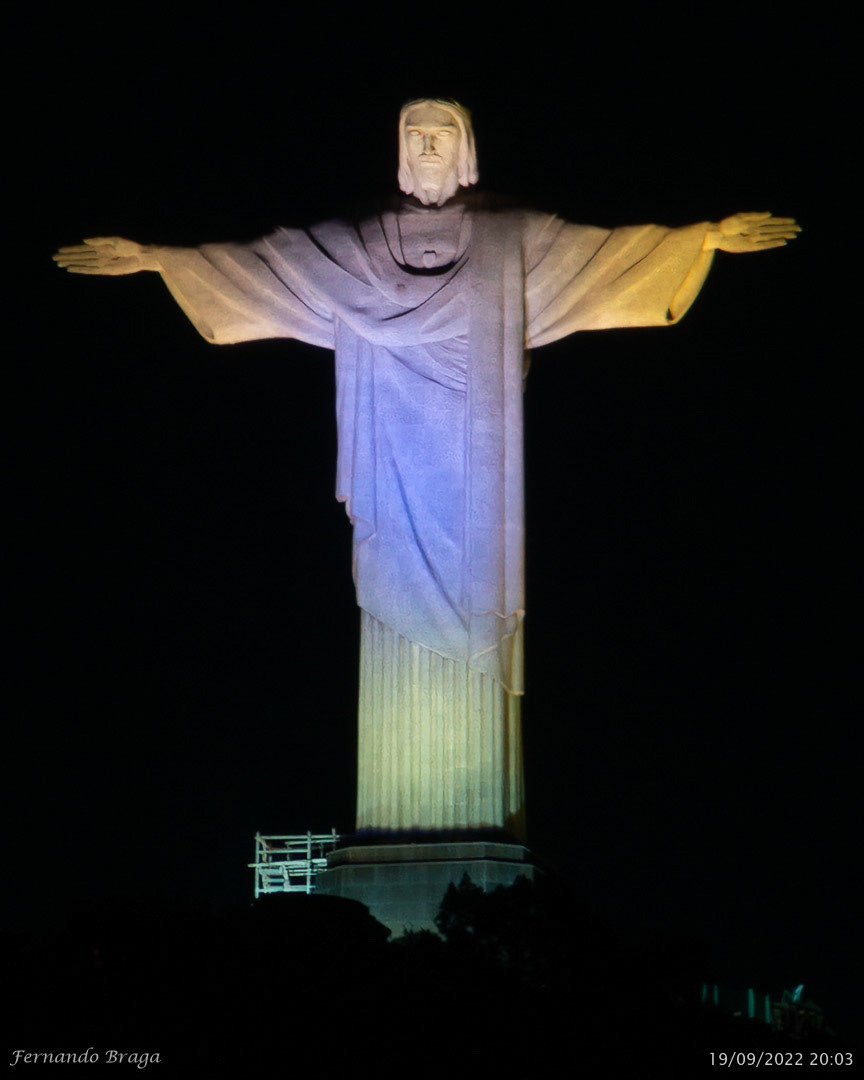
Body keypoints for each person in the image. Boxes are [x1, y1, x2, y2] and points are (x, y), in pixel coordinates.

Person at [53, 99, 799, 840]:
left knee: (475, 613)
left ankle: (477, 836)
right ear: (400, 149)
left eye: (444, 134)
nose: (430, 145)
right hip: (391, 474)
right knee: (388, 600)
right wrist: (157, 258)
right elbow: (262, 263)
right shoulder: (353, 243)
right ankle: (395, 829)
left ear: (467, 147)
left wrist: (702, 240)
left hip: (478, 491)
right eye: (417, 135)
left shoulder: (510, 238)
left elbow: (608, 256)